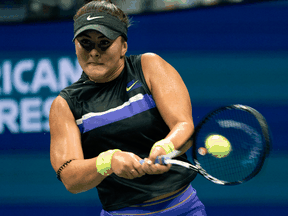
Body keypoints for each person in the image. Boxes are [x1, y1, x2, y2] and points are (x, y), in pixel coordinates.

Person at [49, 0, 207, 215]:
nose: (94, 52)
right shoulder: (65, 104)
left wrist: (166, 147)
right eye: (85, 43)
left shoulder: (149, 67)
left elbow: (183, 125)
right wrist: (107, 161)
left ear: (123, 46)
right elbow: (70, 177)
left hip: (182, 209)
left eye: (104, 43)